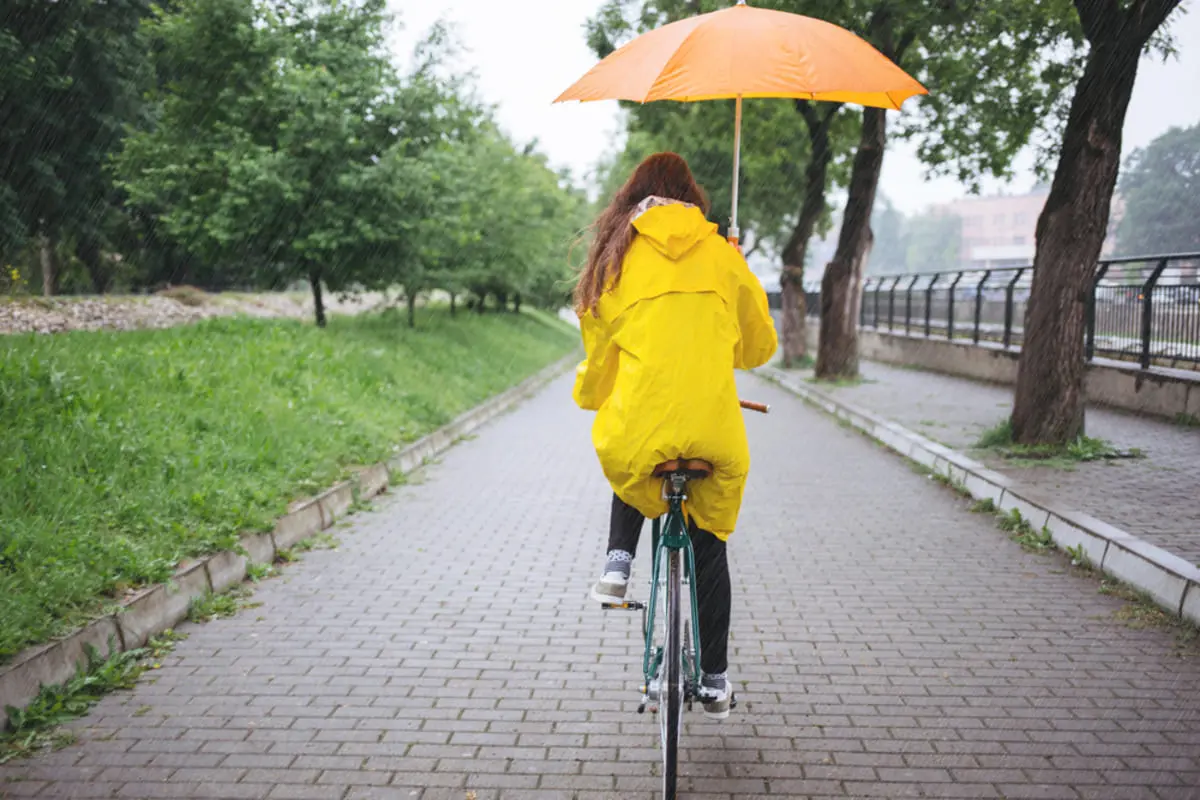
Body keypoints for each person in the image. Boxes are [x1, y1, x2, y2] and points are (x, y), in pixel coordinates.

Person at [571, 152, 778, 719]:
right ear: (693, 199)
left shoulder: (618, 257)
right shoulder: (720, 252)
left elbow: (599, 350)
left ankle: (618, 561)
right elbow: (759, 345)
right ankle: (714, 679)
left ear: (632, 199)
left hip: (646, 422)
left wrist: (593, 394)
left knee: (633, 446)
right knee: (710, 544)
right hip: (714, 428)